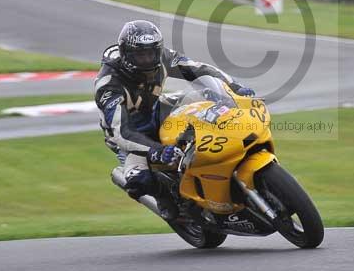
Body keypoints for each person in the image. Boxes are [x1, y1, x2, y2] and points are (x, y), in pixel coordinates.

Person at [94, 19, 254, 219]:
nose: (148, 60)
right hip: (130, 136)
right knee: (139, 182)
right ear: (126, 54)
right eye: (141, 55)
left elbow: (198, 69)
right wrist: (156, 150)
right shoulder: (108, 85)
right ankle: (165, 198)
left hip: (157, 110)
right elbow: (121, 133)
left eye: (151, 53)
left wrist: (234, 87)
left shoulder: (162, 57)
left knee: (210, 97)